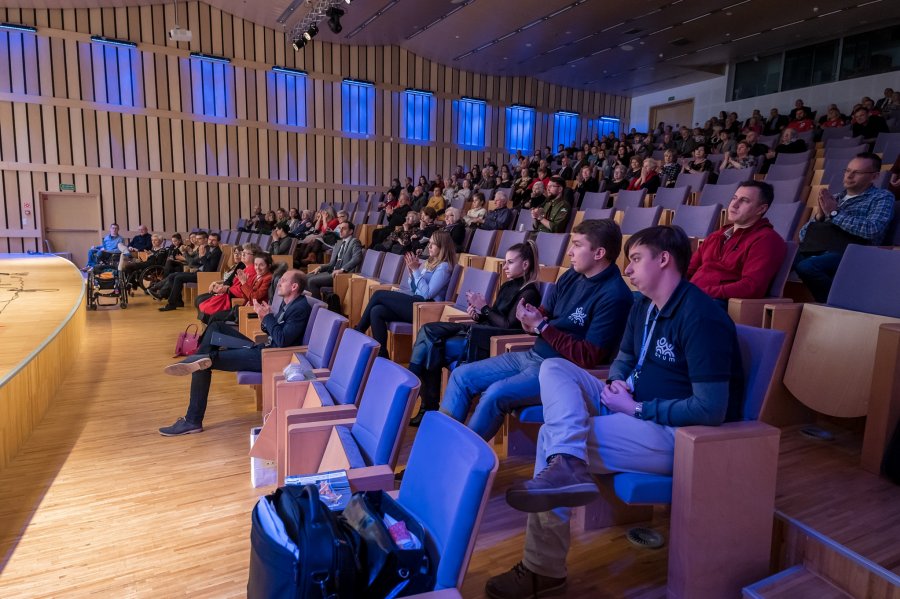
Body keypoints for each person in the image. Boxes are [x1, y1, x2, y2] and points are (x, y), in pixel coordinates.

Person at [486, 225, 743, 598]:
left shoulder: (702, 317)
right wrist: (619, 381)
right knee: (553, 368)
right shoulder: (643, 305)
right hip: (627, 405)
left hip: (676, 433)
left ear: (664, 260)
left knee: (550, 437)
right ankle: (569, 461)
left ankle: (543, 569)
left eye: (636, 259)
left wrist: (637, 407)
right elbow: (623, 357)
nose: (628, 269)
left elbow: (711, 408)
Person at [440, 219, 633, 441]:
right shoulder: (572, 275)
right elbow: (545, 313)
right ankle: (443, 443)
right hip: (534, 354)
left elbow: (588, 356)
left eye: (578, 245)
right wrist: (528, 318)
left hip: (561, 371)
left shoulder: (615, 295)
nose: (569, 252)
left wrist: (541, 326)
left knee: (494, 394)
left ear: (599, 253)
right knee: (461, 376)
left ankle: (458, 460)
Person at [158, 270, 312, 436]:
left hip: (268, 358)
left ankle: (192, 420)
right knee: (216, 327)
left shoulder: (300, 308)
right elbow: (274, 331)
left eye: (283, 280)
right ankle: (197, 359)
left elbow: (282, 341)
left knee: (202, 363)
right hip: (261, 348)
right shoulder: (288, 303)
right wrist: (263, 318)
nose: (279, 282)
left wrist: (268, 318)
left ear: (294, 286)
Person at [407, 241, 542, 426]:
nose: (505, 266)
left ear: (525, 265)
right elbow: (494, 317)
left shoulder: (529, 292)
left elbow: (510, 326)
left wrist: (484, 308)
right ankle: (425, 403)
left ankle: (418, 397)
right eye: (505, 261)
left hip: (493, 343)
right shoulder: (507, 286)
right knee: (428, 331)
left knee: (431, 345)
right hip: (482, 332)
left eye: (510, 262)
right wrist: (478, 315)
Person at [795, 153, 895, 302]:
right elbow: (803, 236)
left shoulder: (882, 197)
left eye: (857, 172)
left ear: (874, 176)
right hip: (821, 248)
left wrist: (834, 213)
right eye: (848, 170)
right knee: (782, 256)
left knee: (808, 267)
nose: (849, 176)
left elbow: (872, 230)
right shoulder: (835, 198)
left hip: (854, 251)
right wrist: (819, 217)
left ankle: (837, 303)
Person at [355, 230, 456, 358]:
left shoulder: (444, 267)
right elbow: (415, 289)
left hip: (427, 308)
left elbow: (427, 294)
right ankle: (382, 355)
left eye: (433, 244)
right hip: (416, 301)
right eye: (429, 243)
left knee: (379, 295)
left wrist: (416, 271)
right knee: (377, 311)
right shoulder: (429, 263)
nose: (429, 247)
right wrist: (411, 273)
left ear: (442, 247)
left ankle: (358, 331)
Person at [687, 181, 787, 307]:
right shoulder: (716, 236)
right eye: (734, 198)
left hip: (717, 302)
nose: (734, 205)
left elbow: (752, 287)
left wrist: (700, 292)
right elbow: (689, 270)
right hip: (692, 296)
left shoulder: (767, 240)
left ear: (761, 209)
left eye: (744, 200)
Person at [158, 232, 223, 311]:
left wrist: (202, 257)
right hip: (199, 272)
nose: (210, 241)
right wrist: (198, 258)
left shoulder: (217, 252)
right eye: (210, 239)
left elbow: (209, 269)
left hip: (204, 275)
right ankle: (178, 302)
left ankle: (171, 304)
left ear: (218, 242)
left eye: (213, 240)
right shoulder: (208, 249)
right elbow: (198, 262)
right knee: (172, 276)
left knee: (178, 278)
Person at [306, 221, 363, 299]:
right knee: (306, 277)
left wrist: (342, 269)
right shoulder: (339, 243)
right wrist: (320, 268)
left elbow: (357, 258)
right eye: (340, 228)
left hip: (343, 275)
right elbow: (331, 263)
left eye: (344, 228)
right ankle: (308, 303)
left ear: (350, 231)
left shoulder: (354, 242)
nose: (341, 230)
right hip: (332, 272)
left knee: (311, 281)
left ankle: (318, 307)